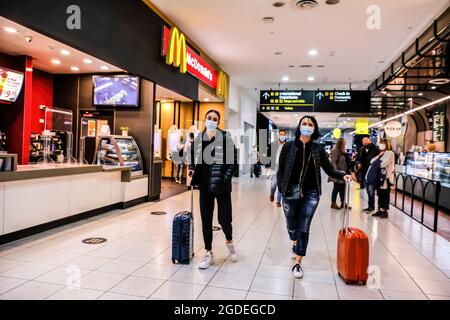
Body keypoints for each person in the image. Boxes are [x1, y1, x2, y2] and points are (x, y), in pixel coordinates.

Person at [277, 116, 352, 279]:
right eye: (304, 123)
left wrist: (344, 174)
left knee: (304, 226)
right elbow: (280, 171)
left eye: (310, 124)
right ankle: (293, 241)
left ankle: (298, 262)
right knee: (291, 224)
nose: (307, 126)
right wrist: (281, 191)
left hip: (311, 193)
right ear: (299, 126)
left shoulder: (318, 148)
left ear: (314, 128)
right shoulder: (289, 146)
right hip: (290, 192)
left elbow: (330, 169)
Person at [188, 110, 238, 270]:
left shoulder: (225, 137)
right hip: (204, 185)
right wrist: (190, 167)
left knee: (224, 219)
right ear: (205, 120)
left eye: (214, 119)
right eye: (209, 118)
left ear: (218, 122)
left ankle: (229, 241)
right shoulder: (199, 137)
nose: (211, 121)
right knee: (206, 219)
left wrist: (225, 178)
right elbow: (191, 156)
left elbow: (233, 161)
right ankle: (208, 252)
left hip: (221, 186)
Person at [371, 139, 395, 219]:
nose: (380, 145)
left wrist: (377, 161)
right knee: (379, 193)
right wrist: (379, 157)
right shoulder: (382, 153)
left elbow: (383, 164)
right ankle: (380, 209)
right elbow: (372, 161)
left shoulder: (390, 153)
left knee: (384, 194)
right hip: (379, 176)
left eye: (381, 143)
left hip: (385, 177)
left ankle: (384, 211)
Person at [356, 137, 380, 212]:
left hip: (372, 173)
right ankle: (370, 206)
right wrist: (359, 163)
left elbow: (378, 160)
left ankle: (372, 207)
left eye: (367, 143)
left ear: (369, 142)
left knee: (371, 190)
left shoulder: (375, 149)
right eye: (364, 143)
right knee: (368, 191)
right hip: (364, 172)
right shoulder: (362, 149)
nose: (365, 144)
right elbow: (358, 158)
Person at [329, 138, 351, 210]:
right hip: (337, 173)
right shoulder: (335, 151)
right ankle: (333, 203)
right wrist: (336, 172)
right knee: (336, 188)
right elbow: (333, 163)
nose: (345, 144)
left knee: (343, 189)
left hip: (343, 174)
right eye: (344, 143)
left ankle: (343, 202)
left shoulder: (342, 152)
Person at [269, 130, 287, 207]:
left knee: (281, 185)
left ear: (285, 136)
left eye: (283, 134)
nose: (282, 136)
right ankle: (272, 193)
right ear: (278, 135)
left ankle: (278, 201)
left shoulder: (287, 145)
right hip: (275, 167)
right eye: (281, 134)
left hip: (283, 168)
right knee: (273, 184)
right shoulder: (274, 145)